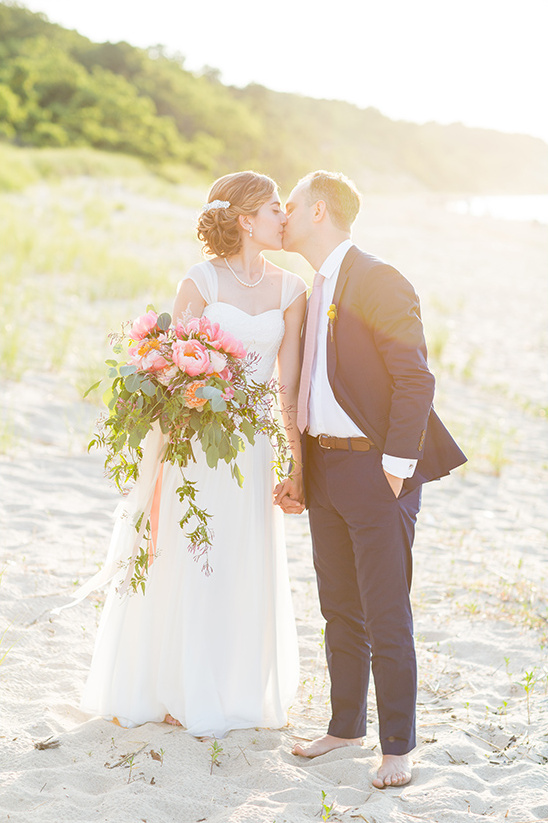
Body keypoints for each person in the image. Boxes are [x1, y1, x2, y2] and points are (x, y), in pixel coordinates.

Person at [79, 171, 307, 737]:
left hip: (253, 449)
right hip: (197, 446)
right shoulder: (199, 281)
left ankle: (230, 688)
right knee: (190, 554)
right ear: (245, 220)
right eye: (276, 208)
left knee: (239, 558)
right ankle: (177, 684)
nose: (285, 217)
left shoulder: (292, 290)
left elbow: (290, 385)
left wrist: (293, 463)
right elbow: (172, 373)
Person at [274, 171, 466, 787]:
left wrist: (394, 468)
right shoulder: (311, 286)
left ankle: (398, 747)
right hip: (325, 466)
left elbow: (415, 379)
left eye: (292, 205)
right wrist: (300, 467)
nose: (283, 214)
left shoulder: (379, 277)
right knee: (338, 607)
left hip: (376, 468)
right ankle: (345, 726)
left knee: (386, 610)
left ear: (320, 211)